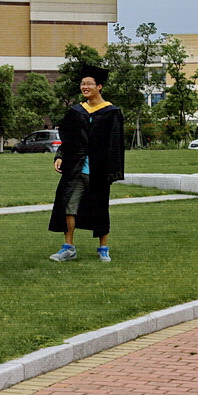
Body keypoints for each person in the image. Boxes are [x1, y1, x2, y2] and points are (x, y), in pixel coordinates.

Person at [49, 66, 126, 263]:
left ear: (99, 86)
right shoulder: (76, 111)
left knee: (100, 209)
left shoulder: (112, 112)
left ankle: (103, 248)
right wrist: (60, 155)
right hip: (75, 167)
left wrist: (114, 171)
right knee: (68, 205)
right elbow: (68, 137)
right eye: (83, 83)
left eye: (89, 83)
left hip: (99, 170)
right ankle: (69, 248)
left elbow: (116, 143)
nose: (85, 87)